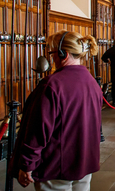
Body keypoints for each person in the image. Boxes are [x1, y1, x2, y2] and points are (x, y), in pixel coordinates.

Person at [10, 30, 102, 190]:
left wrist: (27, 163)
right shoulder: (92, 82)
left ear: (63, 54)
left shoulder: (52, 85)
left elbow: (38, 130)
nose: (51, 58)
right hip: (85, 162)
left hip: (57, 166)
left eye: (52, 53)